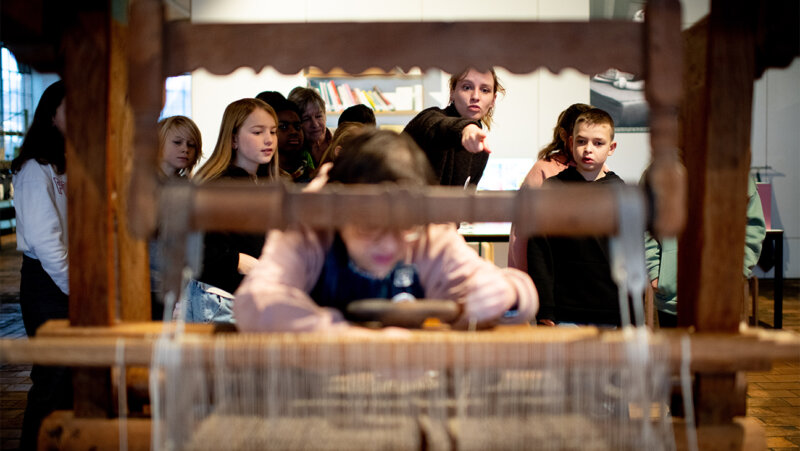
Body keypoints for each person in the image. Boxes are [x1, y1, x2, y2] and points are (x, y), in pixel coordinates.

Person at [233, 129, 537, 332]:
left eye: (403, 227)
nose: (389, 245)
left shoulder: (428, 235)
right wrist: (348, 337)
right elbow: (254, 303)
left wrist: (507, 295)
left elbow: (520, 298)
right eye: (370, 226)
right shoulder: (309, 231)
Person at [11, 80, 73, 451]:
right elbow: (45, 239)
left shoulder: (71, 162)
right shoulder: (36, 168)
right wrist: (74, 288)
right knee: (52, 378)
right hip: (48, 282)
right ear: (51, 116)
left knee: (70, 380)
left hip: (68, 277)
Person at [186, 98, 280, 323]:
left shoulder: (259, 182)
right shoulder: (221, 185)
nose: (268, 140)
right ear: (234, 139)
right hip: (221, 299)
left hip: (243, 297)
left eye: (273, 132)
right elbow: (198, 247)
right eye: (257, 132)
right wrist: (238, 261)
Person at [526, 108, 623, 327]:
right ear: (570, 143)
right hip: (564, 310)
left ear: (611, 147)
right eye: (581, 141)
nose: (588, 149)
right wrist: (545, 309)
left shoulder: (620, 192)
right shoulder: (552, 188)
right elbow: (539, 251)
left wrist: (630, 314)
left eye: (598, 143)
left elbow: (629, 254)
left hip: (609, 309)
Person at [644, 174, 766, 327]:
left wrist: (737, 272)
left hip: (720, 296)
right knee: (677, 350)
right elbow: (646, 223)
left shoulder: (735, 171)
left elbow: (753, 229)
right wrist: (655, 271)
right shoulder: (661, 170)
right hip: (672, 297)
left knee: (715, 350)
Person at [508, 103, 593, 272]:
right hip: (549, 273)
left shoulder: (602, 172)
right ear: (565, 135)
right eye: (581, 139)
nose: (587, 148)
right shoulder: (543, 170)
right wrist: (525, 277)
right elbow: (521, 233)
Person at [403, 67, 504, 187]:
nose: (476, 96)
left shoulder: (480, 149)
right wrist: (467, 128)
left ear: (493, 100)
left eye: (485, 90)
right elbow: (437, 124)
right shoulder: (429, 119)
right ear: (452, 93)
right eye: (467, 87)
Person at [150, 116, 202, 319]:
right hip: (149, 282)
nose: (185, 149)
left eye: (191, 145)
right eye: (177, 142)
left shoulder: (187, 186)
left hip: (179, 284)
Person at [268, 97, 314, 183]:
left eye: (297, 127)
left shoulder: (311, 175)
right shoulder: (261, 175)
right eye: (283, 127)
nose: (294, 132)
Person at [288, 86, 331, 167]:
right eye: (306, 119)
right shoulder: (291, 152)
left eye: (318, 116)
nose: (315, 124)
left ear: (325, 116)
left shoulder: (341, 144)